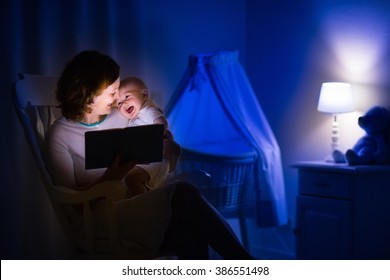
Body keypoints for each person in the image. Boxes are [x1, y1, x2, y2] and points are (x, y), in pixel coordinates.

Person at [44, 50, 254, 260]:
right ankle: (247, 263)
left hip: (138, 205)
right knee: (183, 193)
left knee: (189, 233)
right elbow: (71, 202)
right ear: (89, 96)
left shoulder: (122, 114)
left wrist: (169, 152)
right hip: (103, 219)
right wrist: (108, 179)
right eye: (112, 92)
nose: (118, 97)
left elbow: (151, 162)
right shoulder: (60, 134)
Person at [116, 76, 173, 195]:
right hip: (146, 160)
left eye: (127, 96)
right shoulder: (136, 117)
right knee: (129, 179)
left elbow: (161, 123)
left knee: (132, 178)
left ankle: (143, 205)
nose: (123, 103)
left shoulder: (147, 110)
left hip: (156, 159)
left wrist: (153, 141)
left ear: (145, 95)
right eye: (119, 103)